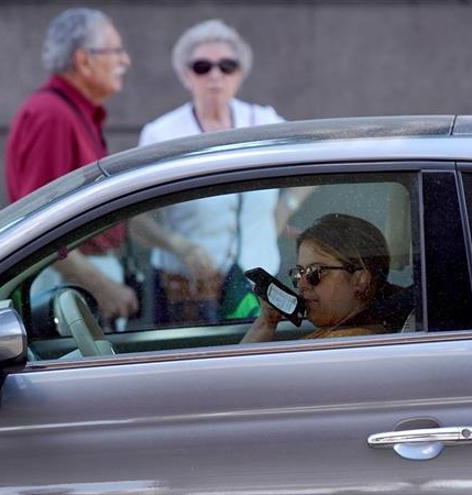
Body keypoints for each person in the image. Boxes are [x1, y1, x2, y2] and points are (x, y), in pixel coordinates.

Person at [137, 19, 309, 324]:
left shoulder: (263, 121)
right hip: (185, 288)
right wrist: (179, 246)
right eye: (202, 66)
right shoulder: (161, 134)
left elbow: (313, 161)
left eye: (227, 66)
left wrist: (285, 209)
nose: (215, 75)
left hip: (258, 283)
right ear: (186, 74)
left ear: (239, 74)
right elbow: (136, 220)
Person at [5, 8, 136, 322]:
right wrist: (101, 285)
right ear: (84, 60)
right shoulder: (53, 116)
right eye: (115, 50)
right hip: (69, 286)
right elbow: (40, 227)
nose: (125, 60)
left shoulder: (70, 112)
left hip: (78, 281)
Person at [242, 214, 414, 343]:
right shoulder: (348, 332)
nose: (301, 284)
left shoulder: (346, 341)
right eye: (299, 272)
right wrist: (266, 323)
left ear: (361, 279)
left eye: (314, 272)